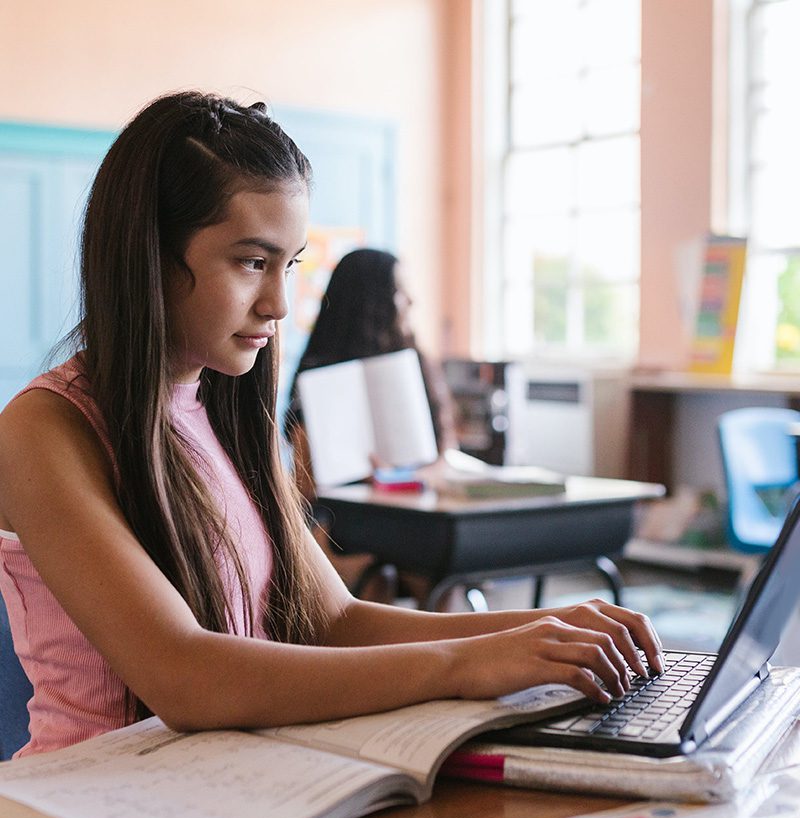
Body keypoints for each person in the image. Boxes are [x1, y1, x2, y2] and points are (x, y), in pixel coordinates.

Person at [0, 91, 664, 760]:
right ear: (148, 255)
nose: (280, 303)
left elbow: (332, 619)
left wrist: (547, 628)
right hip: (89, 816)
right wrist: (464, 662)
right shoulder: (44, 429)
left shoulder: (225, 409)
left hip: (225, 783)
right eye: (252, 262)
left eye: (290, 265)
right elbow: (186, 677)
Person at [284, 247, 458, 502]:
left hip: (419, 514)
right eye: (399, 290)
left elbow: (446, 456)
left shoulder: (418, 365)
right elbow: (302, 488)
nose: (411, 300)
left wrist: (397, 480)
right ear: (370, 304)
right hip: (345, 523)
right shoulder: (318, 379)